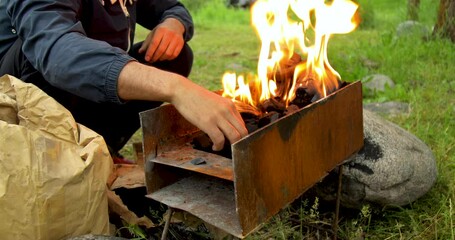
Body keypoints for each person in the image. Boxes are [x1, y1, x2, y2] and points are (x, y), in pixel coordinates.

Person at [0, 0, 248, 160]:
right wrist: (175, 88)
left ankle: (102, 148)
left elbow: (171, 8)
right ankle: (57, 161)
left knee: (176, 55)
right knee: (42, 56)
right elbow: (56, 49)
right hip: (21, 97)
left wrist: (174, 24)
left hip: (90, 87)